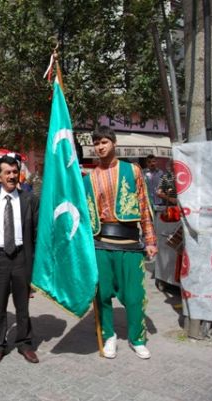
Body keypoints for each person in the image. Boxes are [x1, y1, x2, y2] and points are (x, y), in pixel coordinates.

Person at [83, 126, 157, 359]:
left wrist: (150, 240)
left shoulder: (132, 170)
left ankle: (137, 338)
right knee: (102, 295)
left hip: (130, 242)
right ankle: (109, 335)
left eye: (104, 141)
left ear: (114, 143)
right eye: (96, 143)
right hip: (100, 243)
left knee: (135, 296)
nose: (100, 146)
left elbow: (144, 206)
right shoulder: (88, 178)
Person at [0, 155, 39, 365]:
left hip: (21, 258)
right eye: (7, 172)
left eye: (15, 172)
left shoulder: (29, 199)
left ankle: (24, 343)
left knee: (23, 306)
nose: (12, 176)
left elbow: (36, 231)